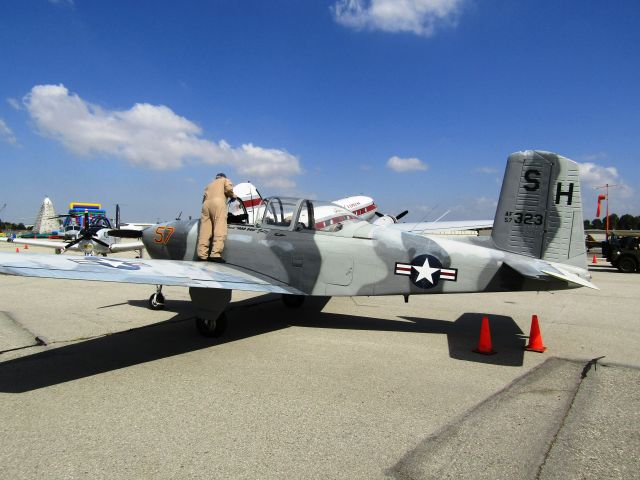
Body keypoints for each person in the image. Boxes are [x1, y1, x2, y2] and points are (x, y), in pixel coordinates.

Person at [197, 173, 237, 262]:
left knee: (205, 231)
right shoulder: (225, 180)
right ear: (223, 177)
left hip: (206, 205)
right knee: (220, 227)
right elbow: (229, 189)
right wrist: (233, 196)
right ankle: (215, 254)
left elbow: (204, 198)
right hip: (218, 203)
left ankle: (202, 255)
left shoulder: (209, 185)